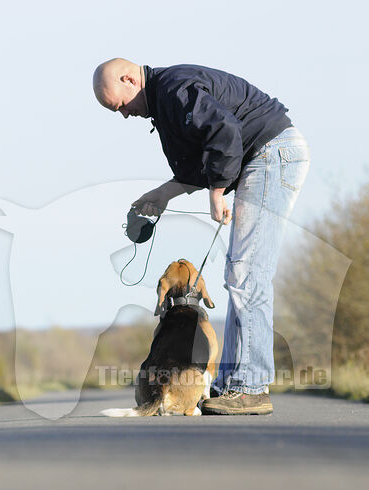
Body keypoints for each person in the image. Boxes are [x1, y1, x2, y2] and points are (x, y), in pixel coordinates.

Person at [93, 58, 310, 415]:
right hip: (264, 156)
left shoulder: (176, 89)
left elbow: (224, 133)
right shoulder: (165, 105)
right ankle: (234, 384)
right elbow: (197, 165)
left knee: (247, 273)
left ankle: (252, 386)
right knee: (238, 274)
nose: (125, 115)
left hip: (272, 154)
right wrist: (163, 194)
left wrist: (217, 192)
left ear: (130, 79)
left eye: (121, 106)